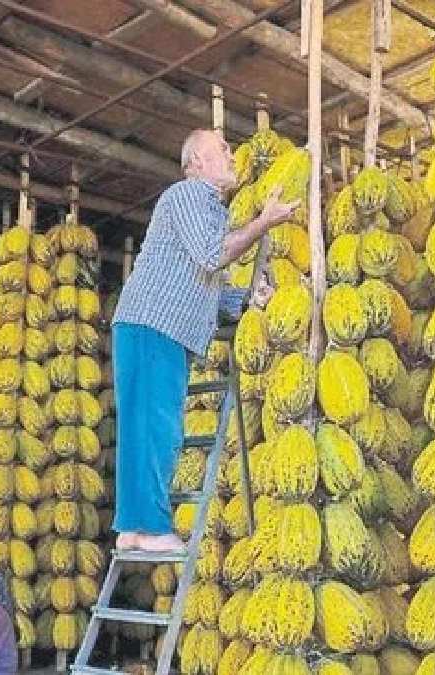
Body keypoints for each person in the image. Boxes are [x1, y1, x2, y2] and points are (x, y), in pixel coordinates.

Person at [110, 128, 298, 553]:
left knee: (154, 427)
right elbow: (214, 254)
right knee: (153, 427)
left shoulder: (210, 210)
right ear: (196, 163)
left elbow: (207, 288)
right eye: (223, 148)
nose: (232, 154)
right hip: (151, 325)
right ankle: (149, 528)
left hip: (159, 330)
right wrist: (264, 222)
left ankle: (135, 528)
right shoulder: (189, 195)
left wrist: (249, 299)